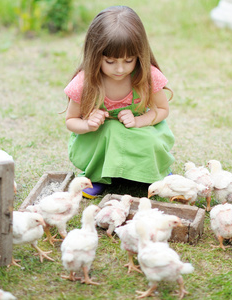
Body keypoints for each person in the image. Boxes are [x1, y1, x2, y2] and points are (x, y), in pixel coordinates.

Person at [64, 5, 175, 199]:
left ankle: (155, 172)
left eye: (129, 60)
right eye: (110, 61)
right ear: (95, 55)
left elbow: (163, 109)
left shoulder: (147, 76)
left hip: (137, 131)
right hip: (99, 138)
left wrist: (140, 121)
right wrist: (88, 124)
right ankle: (97, 176)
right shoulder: (85, 82)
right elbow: (70, 121)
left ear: (139, 54)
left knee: (149, 139)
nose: (120, 69)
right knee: (110, 131)